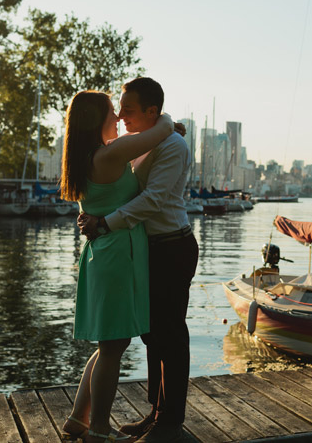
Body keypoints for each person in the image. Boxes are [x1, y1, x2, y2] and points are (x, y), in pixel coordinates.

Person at [78, 77, 198, 443]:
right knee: (151, 334)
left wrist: (104, 223)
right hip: (147, 248)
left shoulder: (172, 146)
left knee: (171, 333)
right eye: (120, 110)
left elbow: (154, 200)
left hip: (172, 246)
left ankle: (170, 419)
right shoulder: (138, 142)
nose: (122, 115)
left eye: (128, 109)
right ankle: (155, 412)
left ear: (150, 111)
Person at [59, 89, 174, 443]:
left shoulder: (85, 157)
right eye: (112, 111)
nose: (119, 117)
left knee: (108, 344)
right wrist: (169, 120)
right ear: (97, 120)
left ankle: (79, 418)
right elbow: (162, 130)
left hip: (103, 253)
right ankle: (99, 429)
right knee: (113, 345)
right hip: (115, 254)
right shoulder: (109, 154)